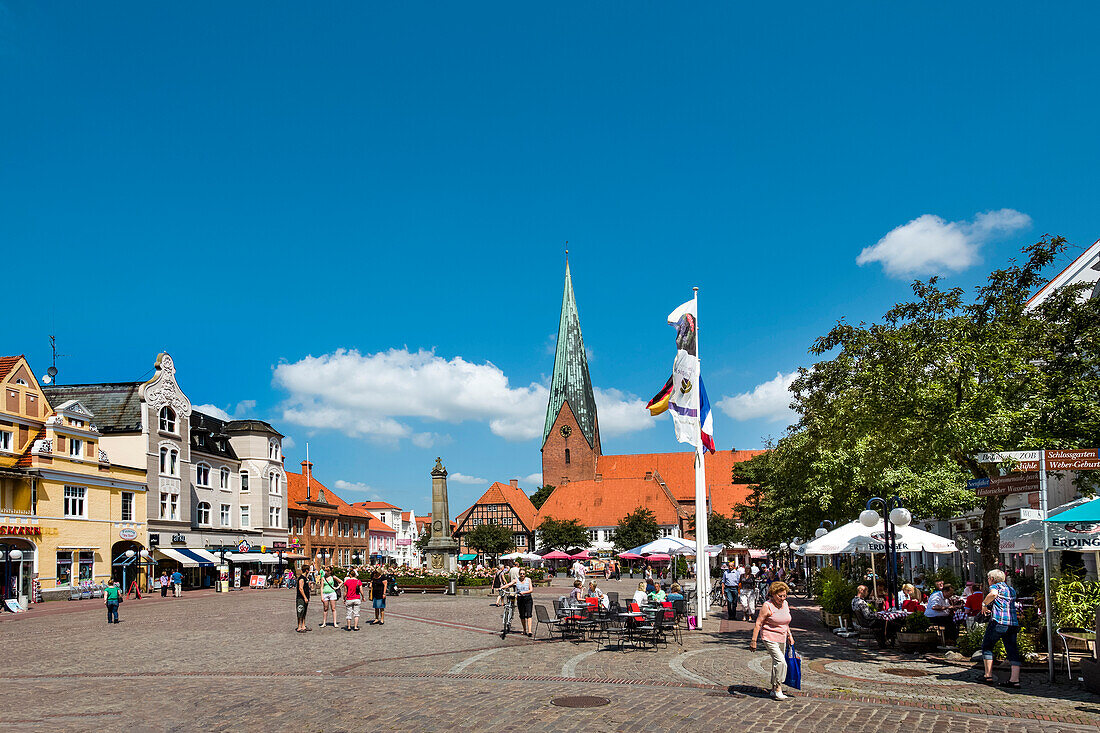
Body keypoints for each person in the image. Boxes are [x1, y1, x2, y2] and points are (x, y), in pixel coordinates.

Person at [749, 581, 796, 700]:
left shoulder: (785, 604)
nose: (782, 598)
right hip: (769, 637)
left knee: (776, 663)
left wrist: (790, 635)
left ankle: (773, 689)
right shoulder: (767, 605)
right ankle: (778, 689)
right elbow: (758, 623)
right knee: (781, 662)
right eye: (780, 596)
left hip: (782, 637)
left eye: (784, 595)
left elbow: (785, 622)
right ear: (773, 594)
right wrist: (754, 640)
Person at [980, 570, 1022, 687]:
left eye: (988, 578)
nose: (988, 581)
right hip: (1012, 623)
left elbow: (993, 594)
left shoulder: (995, 586)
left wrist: (984, 605)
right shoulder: (1011, 589)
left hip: (999, 622)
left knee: (987, 647)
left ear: (992, 579)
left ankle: (988, 675)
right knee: (1012, 650)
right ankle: (1014, 679)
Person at [502, 568, 535, 637]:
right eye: (521, 574)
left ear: (525, 574)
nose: (522, 575)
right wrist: (501, 588)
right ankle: (524, 630)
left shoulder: (528, 580)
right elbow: (509, 584)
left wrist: (524, 592)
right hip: (520, 599)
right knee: (522, 615)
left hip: (528, 598)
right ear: (519, 574)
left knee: (529, 614)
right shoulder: (516, 580)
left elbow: (531, 590)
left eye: (523, 574)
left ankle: (529, 631)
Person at [295, 565, 312, 633]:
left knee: (304, 612)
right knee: (300, 611)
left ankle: (303, 625)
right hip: (301, 598)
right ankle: (299, 627)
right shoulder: (301, 578)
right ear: (307, 570)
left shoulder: (305, 578)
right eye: (309, 570)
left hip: (306, 597)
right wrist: (305, 597)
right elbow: (300, 589)